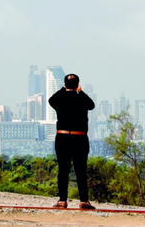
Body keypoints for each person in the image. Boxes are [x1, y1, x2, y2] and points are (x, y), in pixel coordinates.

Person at [48, 73, 95, 209]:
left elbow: (51, 100)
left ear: (64, 84)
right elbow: (91, 105)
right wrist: (80, 91)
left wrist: (63, 89)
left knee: (63, 170)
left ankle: (62, 200)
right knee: (81, 170)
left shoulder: (60, 98)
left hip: (62, 138)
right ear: (78, 85)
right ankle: (84, 200)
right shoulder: (81, 98)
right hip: (80, 138)